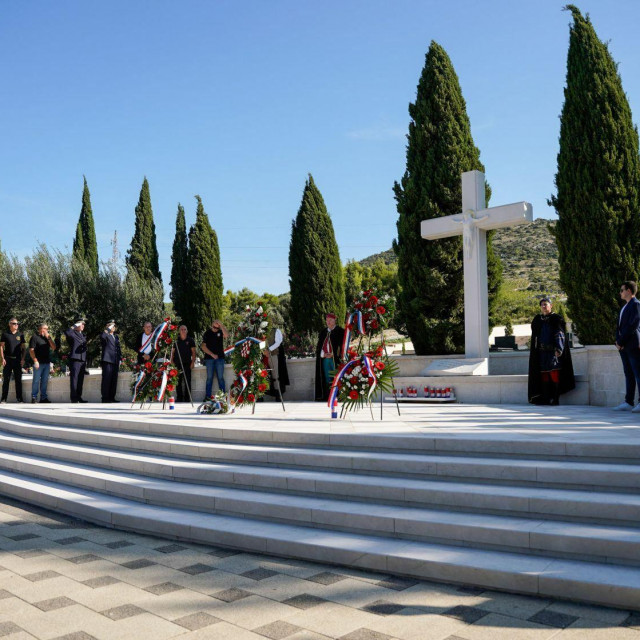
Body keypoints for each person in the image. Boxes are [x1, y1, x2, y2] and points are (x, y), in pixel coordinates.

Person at [528, 298, 575, 405]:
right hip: (541, 353)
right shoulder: (538, 319)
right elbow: (535, 336)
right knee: (544, 375)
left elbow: (560, 334)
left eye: (546, 304)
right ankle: (545, 398)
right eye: (542, 305)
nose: (544, 306)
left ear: (551, 306)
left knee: (554, 374)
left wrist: (559, 349)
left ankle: (555, 398)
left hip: (552, 352)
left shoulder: (556, 319)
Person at [613, 281, 640, 411]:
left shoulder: (636, 305)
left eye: (622, 290)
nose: (620, 292)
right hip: (623, 346)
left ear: (629, 290)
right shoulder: (625, 306)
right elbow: (619, 327)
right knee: (628, 373)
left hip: (633, 345)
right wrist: (617, 341)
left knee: (638, 373)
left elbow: (632, 326)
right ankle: (628, 402)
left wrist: (621, 342)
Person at [315, 313, 345, 402]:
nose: (328, 322)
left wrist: (334, 354)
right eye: (327, 320)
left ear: (335, 320)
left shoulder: (340, 331)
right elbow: (319, 346)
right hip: (325, 359)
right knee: (327, 378)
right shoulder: (323, 332)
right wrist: (323, 354)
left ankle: (338, 396)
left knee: (337, 377)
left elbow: (342, 346)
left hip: (335, 359)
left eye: (330, 320)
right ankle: (328, 396)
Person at [201, 320, 228, 401]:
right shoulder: (207, 333)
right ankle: (208, 397)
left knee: (220, 378)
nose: (215, 328)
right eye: (214, 327)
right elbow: (203, 347)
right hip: (209, 359)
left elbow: (226, 335)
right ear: (211, 325)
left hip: (220, 359)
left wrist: (221, 325)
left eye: (217, 327)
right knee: (209, 378)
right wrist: (212, 354)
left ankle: (222, 397)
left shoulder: (221, 331)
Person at [29, 322, 56, 403]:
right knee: (36, 380)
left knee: (44, 381)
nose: (47, 331)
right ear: (41, 329)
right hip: (38, 363)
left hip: (46, 363)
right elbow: (31, 350)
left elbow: (54, 347)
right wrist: (35, 361)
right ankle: (34, 397)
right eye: (45, 329)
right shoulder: (34, 337)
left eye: (47, 329)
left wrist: (49, 338)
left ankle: (43, 398)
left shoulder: (47, 338)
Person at [1, 317, 26, 403]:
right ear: (9, 324)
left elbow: (23, 348)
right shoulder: (5, 334)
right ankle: (4, 399)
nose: (16, 325)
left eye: (17, 324)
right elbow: (1, 346)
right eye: (14, 323)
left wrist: (23, 359)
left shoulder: (20, 335)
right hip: (8, 359)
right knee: (6, 380)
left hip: (17, 360)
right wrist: (3, 358)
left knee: (18, 380)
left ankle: (19, 398)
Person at [64, 318, 88, 403]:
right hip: (75, 359)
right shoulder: (73, 333)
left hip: (82, 359)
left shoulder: (83, 335)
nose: (82, 326)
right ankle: (74, 398)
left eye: (83, 324)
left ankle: (79, 396)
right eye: (81, 324)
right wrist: (75, 325)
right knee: (74, 379)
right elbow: (67, 332)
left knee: (80, 379)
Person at [265, 326, 290, 401]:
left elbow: (278, 342)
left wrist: (268, 350)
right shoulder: (262, 332)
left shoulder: (276, 331)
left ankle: (278, 395)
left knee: (276, 375)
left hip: (274, 355)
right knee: (266, 375)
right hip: (265, 356)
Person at [172, 325, 196, 402]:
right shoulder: (176, 340)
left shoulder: (190, 340)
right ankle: (179, 398)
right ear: (179, 331)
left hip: (187, 363)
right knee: (178, 381)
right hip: (177, 364)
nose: (183, 331)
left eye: (184, 329)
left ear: (187, 331)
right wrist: (171, 361)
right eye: (181, 329)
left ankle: (187, 398)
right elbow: (172, 352)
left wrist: (193, 362)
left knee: (187, 381)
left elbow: (194, 352)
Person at [100, 321, 122, 403]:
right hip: (107, 360)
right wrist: (108, 329)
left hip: (115, 360)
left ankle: (112, 397)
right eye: (111, 325)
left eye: (114, 325)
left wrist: (120, 358)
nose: (113, 327)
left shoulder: (116, 337)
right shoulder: (105, 334)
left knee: (113, 379)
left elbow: (118, 348)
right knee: (107, 379)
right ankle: (105, 398)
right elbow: (102, 337)